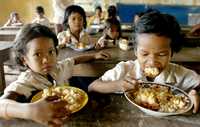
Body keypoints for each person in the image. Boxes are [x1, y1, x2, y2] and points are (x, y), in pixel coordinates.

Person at [0, 23, 110, 126]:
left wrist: (94, 56)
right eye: (37, 54)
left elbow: (74, 60)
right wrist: (29, 111)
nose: (46, 60)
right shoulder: (27, 80)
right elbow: (1, 105)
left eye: (51, 52)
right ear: (24, 60)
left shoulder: (57, 69)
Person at [88, 12, 200, 113]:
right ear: (136, 51)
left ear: (171, 53)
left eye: (161, 54)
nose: (152, 62)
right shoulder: (124, 70)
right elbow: (92, 87)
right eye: (145, 54)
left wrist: (195, 93)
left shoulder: (179, 74)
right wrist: (117, 85)